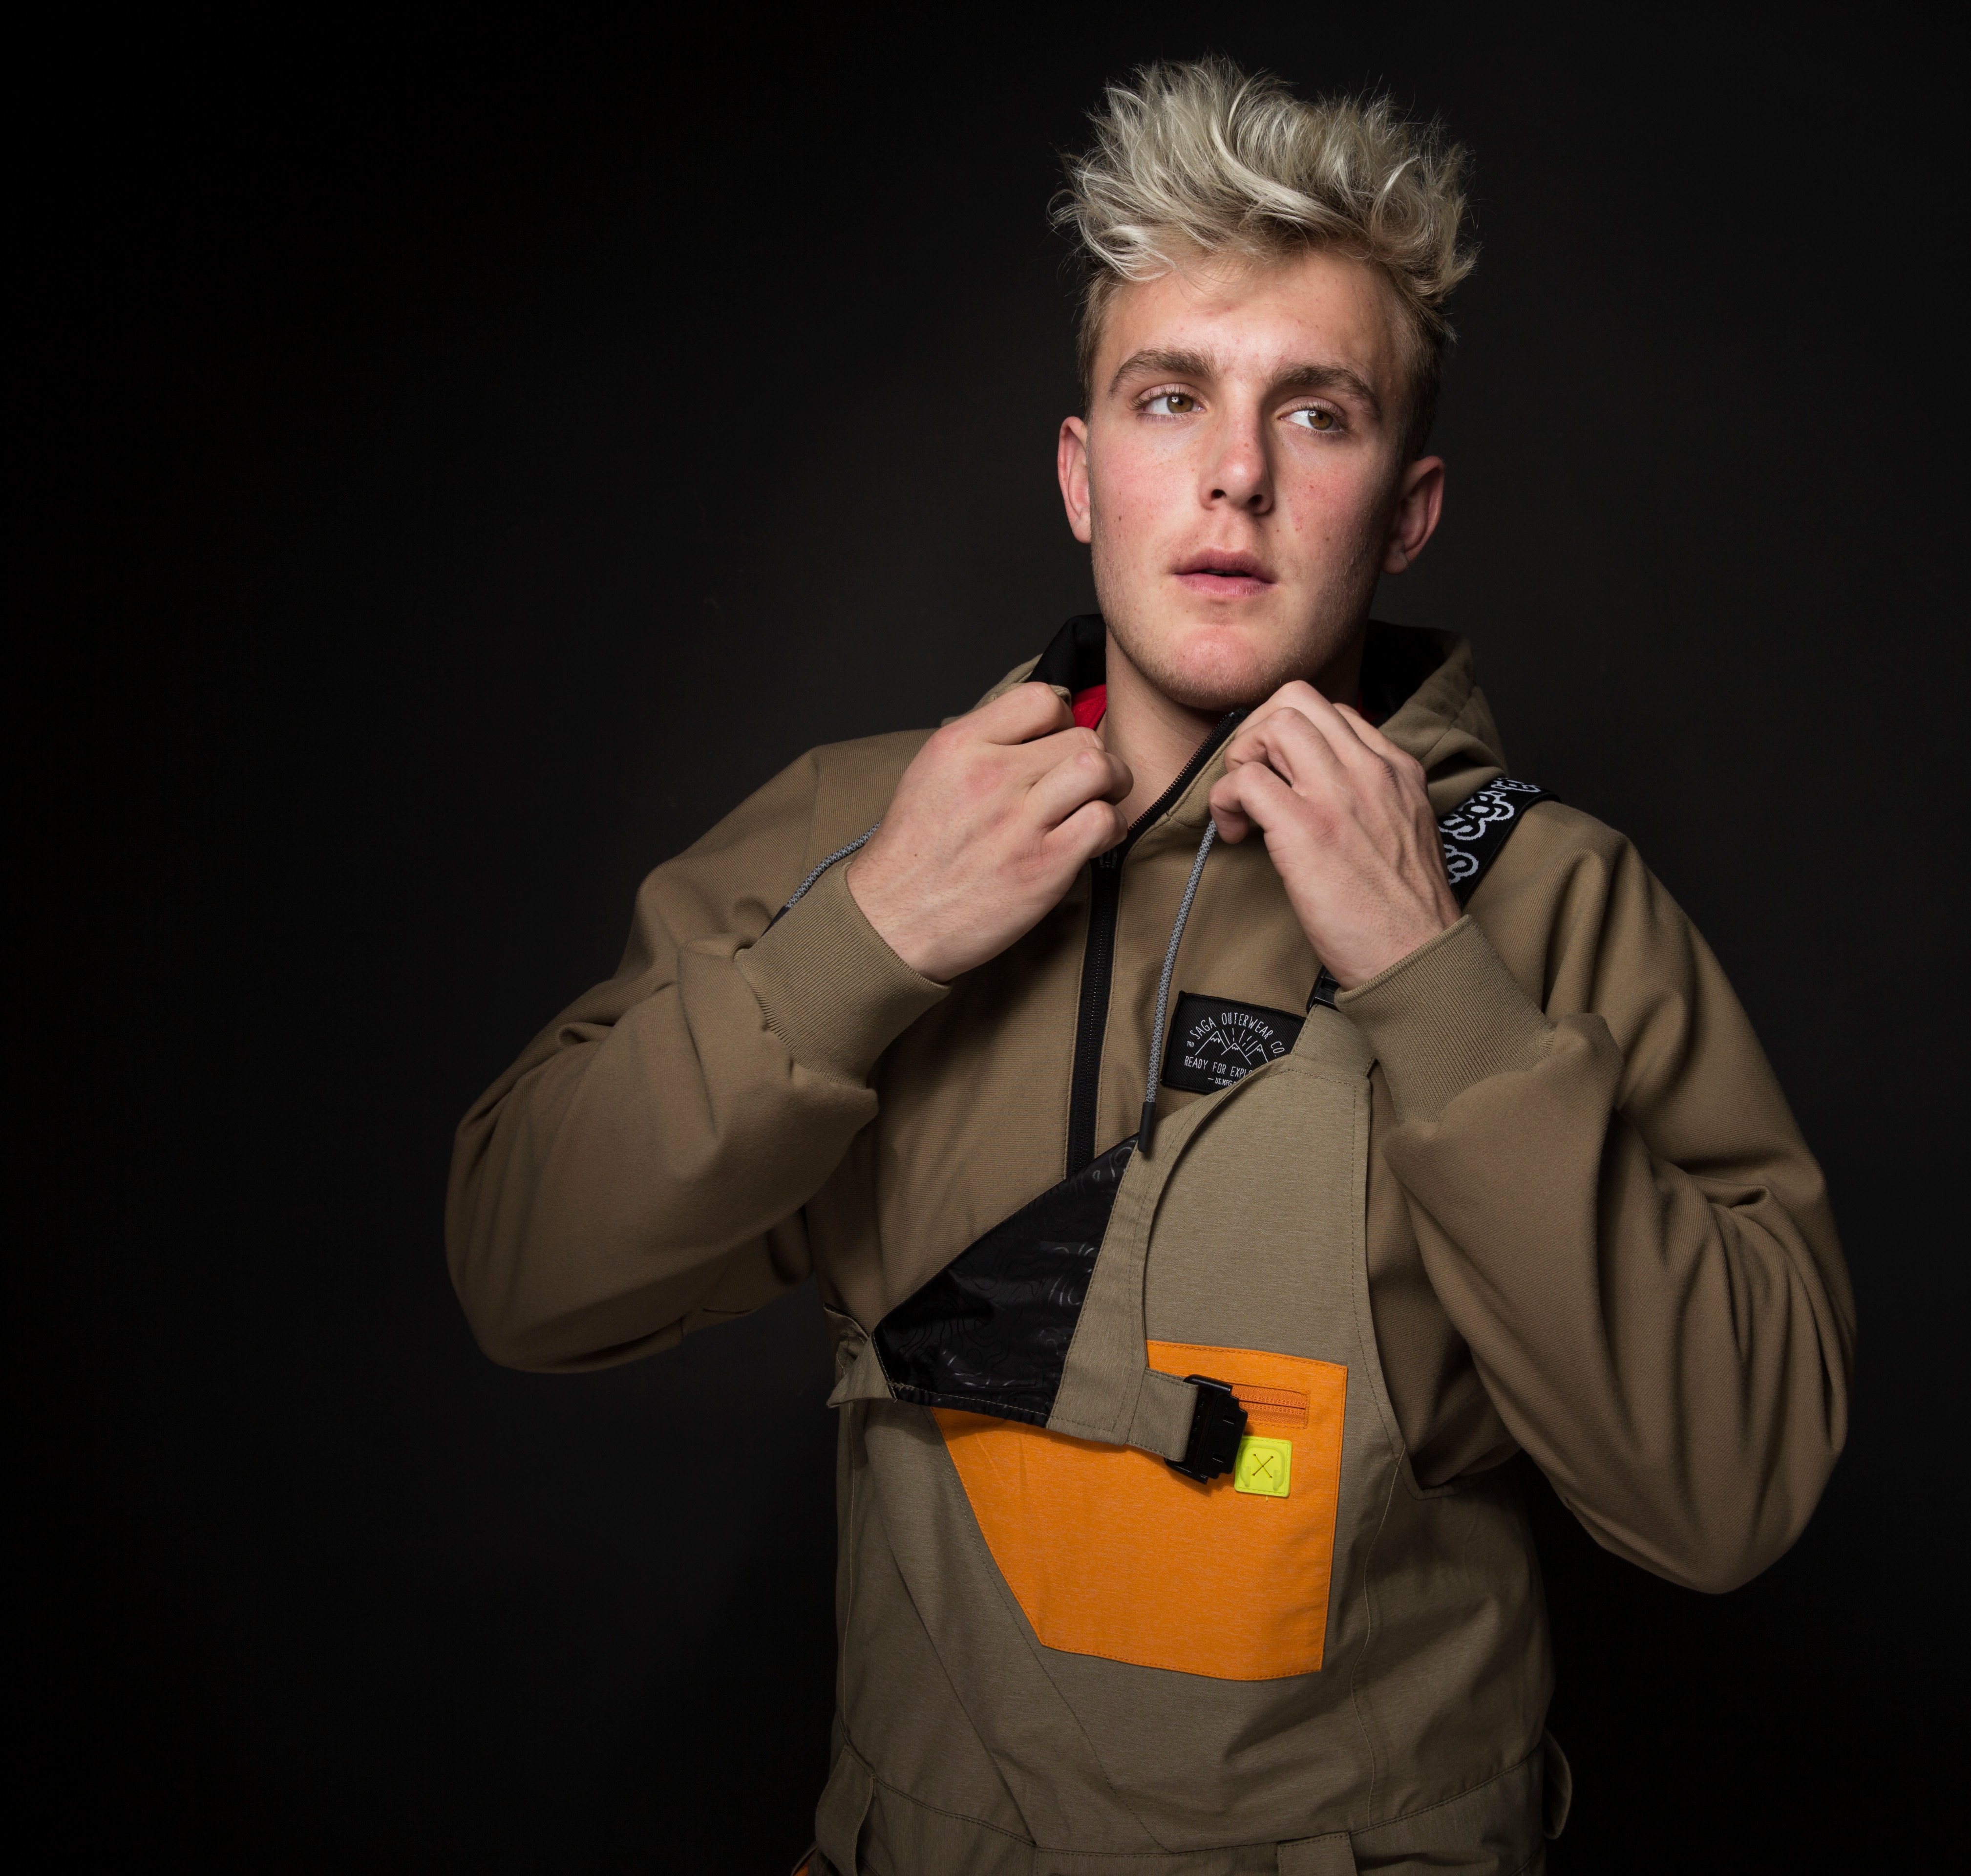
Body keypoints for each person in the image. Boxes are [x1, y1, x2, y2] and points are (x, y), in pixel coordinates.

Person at [447, 56, 1855, 1876]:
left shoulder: (1554, 905)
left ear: (1407, 509)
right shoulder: (856, 832)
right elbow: (520, 1271)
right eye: (1170, 395)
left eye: (1319, 414)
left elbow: (1731, 1494)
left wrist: (1434, 983)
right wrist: (867, 941)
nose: (1236, 477)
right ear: (1082, 473)